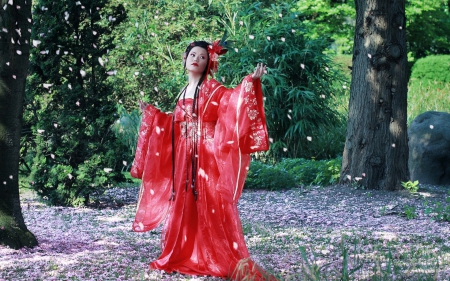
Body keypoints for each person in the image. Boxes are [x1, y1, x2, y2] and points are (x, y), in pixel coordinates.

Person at [130, 39, 277, 280]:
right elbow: (173, 124)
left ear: (209, 63)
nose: (196, 59)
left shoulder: (215, 89)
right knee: (184, 201)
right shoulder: (182, 91)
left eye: (202, 56)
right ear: (185, 58)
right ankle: (185, 252)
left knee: (210, 199)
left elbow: (233, 103)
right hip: (184, 155)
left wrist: (251, 82)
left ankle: (214, 255)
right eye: (192, 54)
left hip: (207, 154)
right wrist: (153, 114)